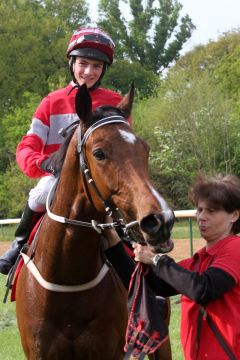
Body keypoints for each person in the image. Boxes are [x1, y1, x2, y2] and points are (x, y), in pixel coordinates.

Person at [0, 27, 128, 275]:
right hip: (59, 179)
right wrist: (43, 163)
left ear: (103, 71)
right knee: (43, 191)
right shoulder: (51, 102)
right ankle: (18, 245)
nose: (88, 72)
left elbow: (124, 151)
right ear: (72, 63)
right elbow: (27, 147)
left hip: (102, 179)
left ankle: (138, 262)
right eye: (83, 63)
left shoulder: (114, 102)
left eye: (96, 66)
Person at [104, 173, 240, 359]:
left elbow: (203, 289)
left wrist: (156, 260)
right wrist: (113, 243)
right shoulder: (199, 260)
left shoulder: (235, 248)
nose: (201, 217)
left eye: (212, 211)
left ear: (234, 215)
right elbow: (148, 284)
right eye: (199, 210)